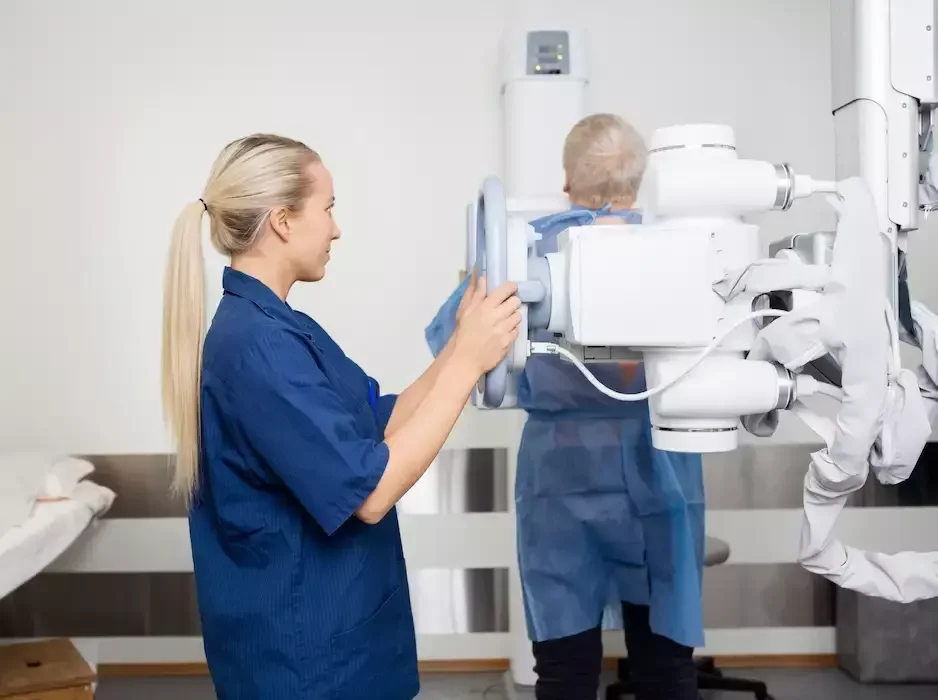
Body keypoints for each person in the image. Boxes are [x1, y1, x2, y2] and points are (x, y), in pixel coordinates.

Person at [160, 133, 522, 700]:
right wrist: (466, 364)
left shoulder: (278, 328)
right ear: (282, 220)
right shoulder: (257, 349)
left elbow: (383, 420)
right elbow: (371, 493)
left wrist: (463, 346)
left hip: (332, 645)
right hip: (306, 664)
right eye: (327, 208)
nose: (336, 228)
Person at [425, 114, 706, 700]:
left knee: (564, 668)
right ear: (640, 176)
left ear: (568, 179)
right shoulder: (681, 251)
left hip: (560, 472)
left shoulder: (524, 252)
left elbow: (449, 342)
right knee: (666, 667)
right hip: (661, 464)